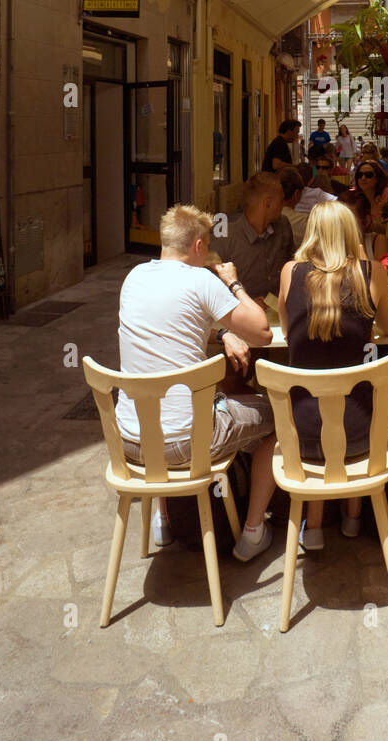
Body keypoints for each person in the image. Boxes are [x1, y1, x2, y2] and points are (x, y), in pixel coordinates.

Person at [116, 204, 277, 562]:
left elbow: (177, 318)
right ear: (200, 246)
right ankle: (252, 532)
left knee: (160, 396)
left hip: (129, 442)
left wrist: (221, 333)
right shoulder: (201, 279)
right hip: (188, 445)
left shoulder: (133, 279)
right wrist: (231, 281)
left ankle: (164, 518)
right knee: (280, 417)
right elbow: (263, 333)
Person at [277, 201, 388, 548]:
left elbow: (287, 331)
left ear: (311, 233)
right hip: (363, 439)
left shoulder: (290, 271)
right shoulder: (372, 272)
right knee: (352, 399)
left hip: (301, 439)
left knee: (321, 402)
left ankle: (312, 526)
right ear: (352, 233)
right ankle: (353, 517)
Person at [212, 172, 294, 299]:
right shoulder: (225, 236)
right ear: (267, 203)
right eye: (281, 200)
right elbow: (213, 288)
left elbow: (290, 266)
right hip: (241, 312)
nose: (283, 205)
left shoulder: (283, 226)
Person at [339, 188, 388, 262]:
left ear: (366, 221)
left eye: (348, 220)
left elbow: (383, 272)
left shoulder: (376, 242)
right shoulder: (332, 246)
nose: (340, 224)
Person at [351, 158, 388, 233]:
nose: (363, 178)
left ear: (377, 179)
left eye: (368, 175)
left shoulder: (387, 195)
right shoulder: (352, 196)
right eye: (360, 175)